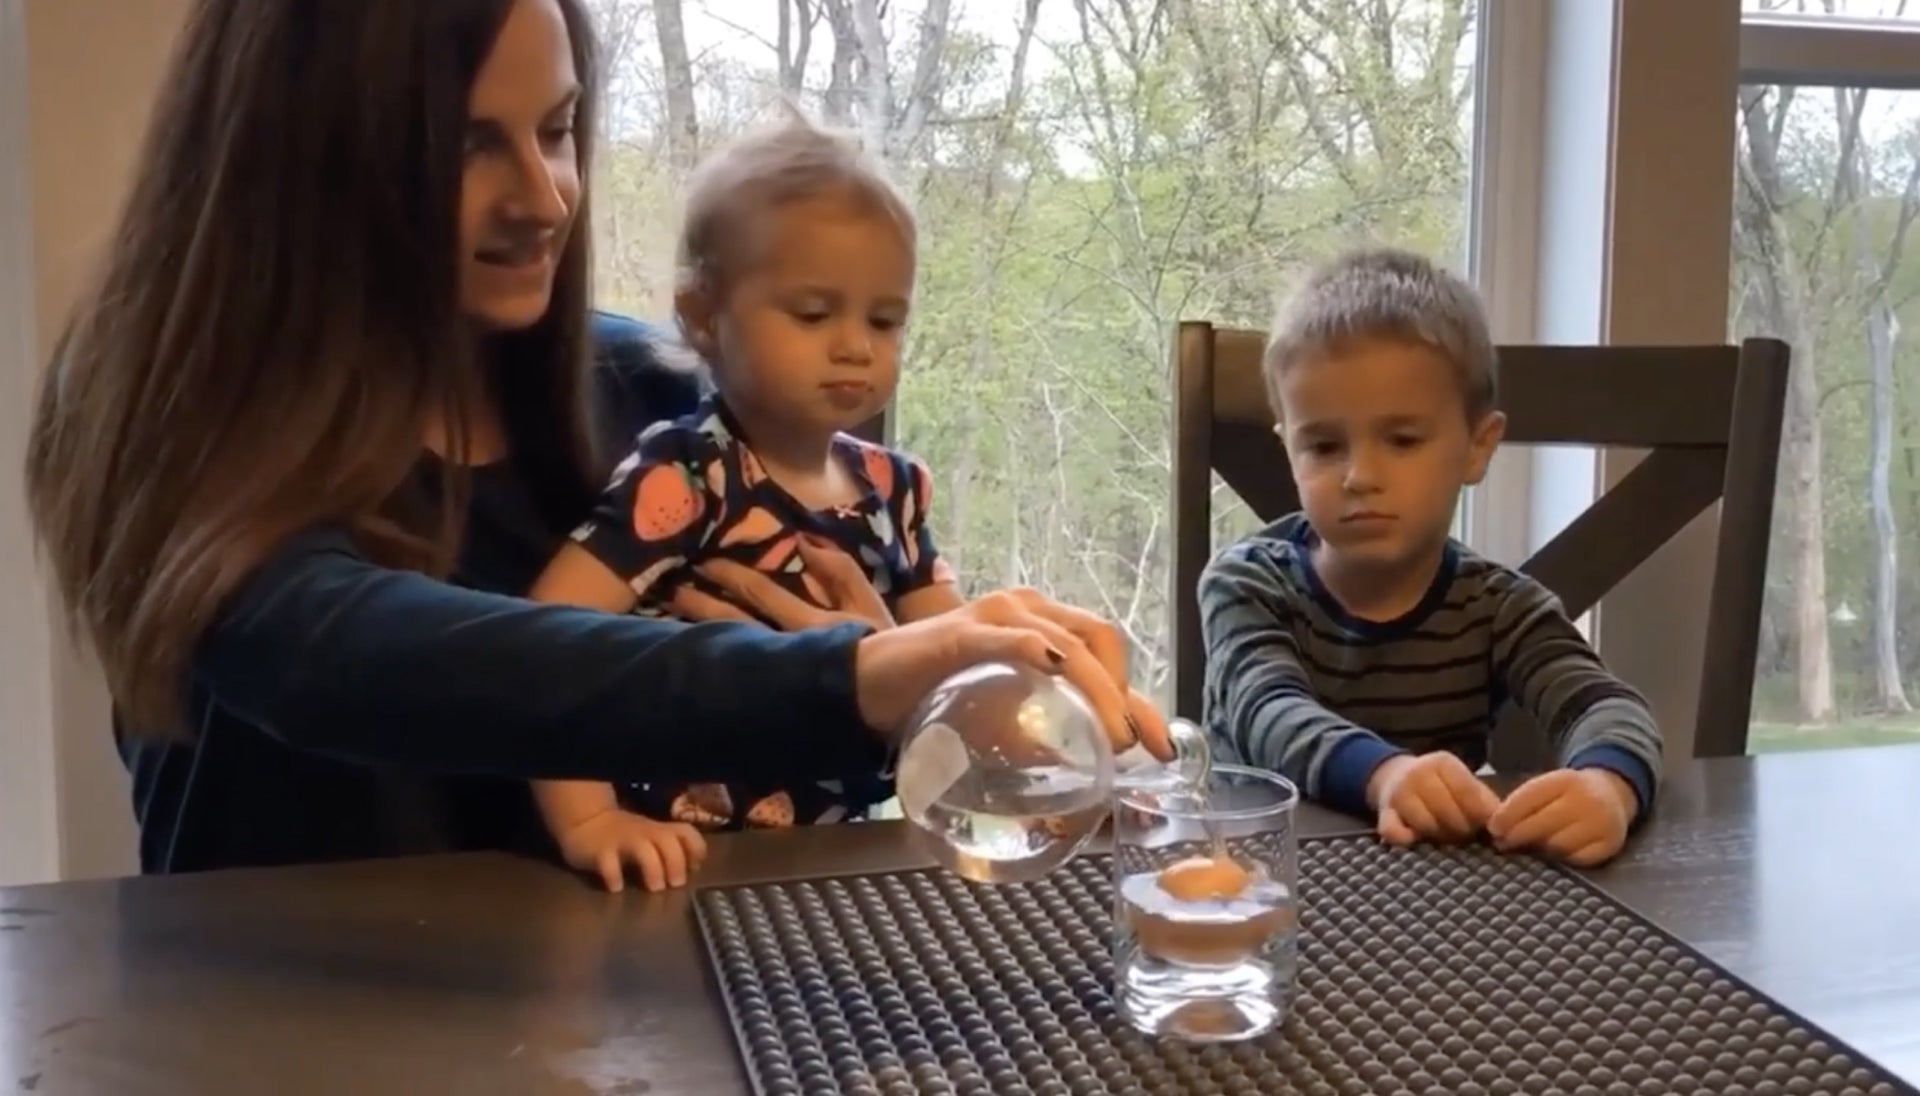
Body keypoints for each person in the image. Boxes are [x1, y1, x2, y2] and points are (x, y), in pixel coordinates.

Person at [22, 0, 1167, 879]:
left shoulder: (642, 397)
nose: (546, 195)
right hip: (279, 1030)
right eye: (469, 145)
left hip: (591, 1011)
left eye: (559, 129)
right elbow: (351, 658)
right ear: (305, 157)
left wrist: (903, 686)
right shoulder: (170, 410)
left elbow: (745, 723)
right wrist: (845, 677)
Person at [525, 108, 981, 888]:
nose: (855, 345)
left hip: (840, 864)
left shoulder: (893, 489)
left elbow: (959, 672)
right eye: (813, 312)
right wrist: (590, 819)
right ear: (704, 316)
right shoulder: (687, 475)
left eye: (885, 319)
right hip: (683, 860)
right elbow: (542, 644)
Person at [1200, 247, 1661, 868]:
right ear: (1290, 452)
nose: (1360, 475)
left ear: (1477, 446)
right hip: (1249, 884)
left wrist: (1607, 787)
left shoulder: (1500, 609)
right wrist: (1385, 775)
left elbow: (1605, 705)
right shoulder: (1245, 585)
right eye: (1325, 445)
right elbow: (1270, 714)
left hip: (1432, 888)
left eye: (1402, 439)